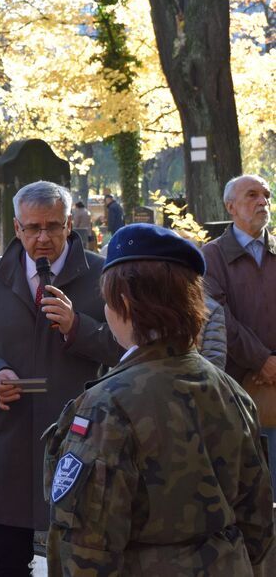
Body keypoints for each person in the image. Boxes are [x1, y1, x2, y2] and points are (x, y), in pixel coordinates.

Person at [44, 223, 274, 574]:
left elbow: (87, 548)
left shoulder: (106, 404)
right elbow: (258, 524)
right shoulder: (229, 389)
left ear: (121, 303)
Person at [0, 180, 121, 577]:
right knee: (8, 556)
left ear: (68, 226)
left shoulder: (102, 275)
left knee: (81, 558)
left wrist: (79, 326)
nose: (43, 237)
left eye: (53, 226)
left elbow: (123, 350)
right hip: (13, 439)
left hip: (81, 440)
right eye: (33, 228)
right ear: (16, 228)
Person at [202, 174, 276, 497]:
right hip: (234, 389)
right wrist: (262, 360)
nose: (263, 202)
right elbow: (219, 319)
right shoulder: (212, 257)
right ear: (231, 206)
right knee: (246, 490)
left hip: (275, 386)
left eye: (267, 195)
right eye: (252, 195)